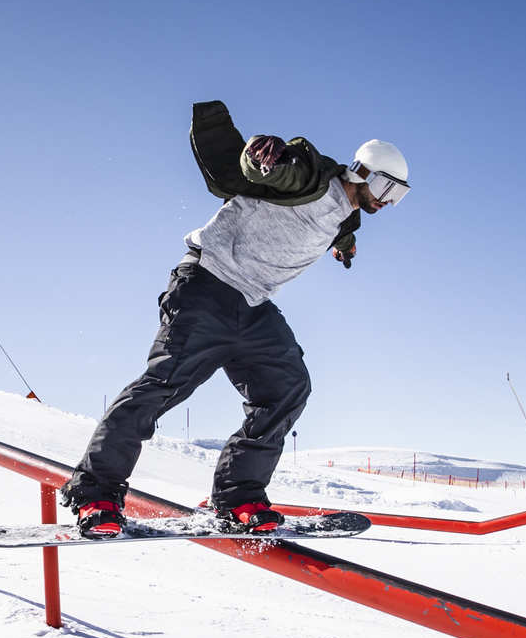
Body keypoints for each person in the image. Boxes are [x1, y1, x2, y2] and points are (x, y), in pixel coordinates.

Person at [58, 100, 410, 538]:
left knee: (287, 386)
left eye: (399, 196)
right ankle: (96, 494)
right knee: (163, 385)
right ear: (364, 173)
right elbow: (275, 167)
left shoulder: (346, 213)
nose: (390, 202)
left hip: (253, 305)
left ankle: (237, 495)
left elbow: (341, 222)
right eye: (388, 189)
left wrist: (345, 244)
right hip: (206, 286)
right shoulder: (310, 174)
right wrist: (267, 153)